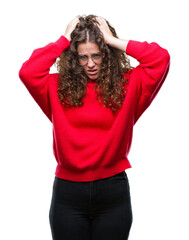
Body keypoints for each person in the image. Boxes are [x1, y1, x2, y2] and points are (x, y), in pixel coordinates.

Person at [19, 14, 170, 240]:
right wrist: (63, 40)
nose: (90, 63)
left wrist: (111, 39)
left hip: (113, 192)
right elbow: (28, 72)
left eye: (97, 55)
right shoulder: (56, 87)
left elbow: (160, 58)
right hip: (67, 194)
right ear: (73, 57)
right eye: (83, 57)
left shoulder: (129, 85)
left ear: (107, 54)